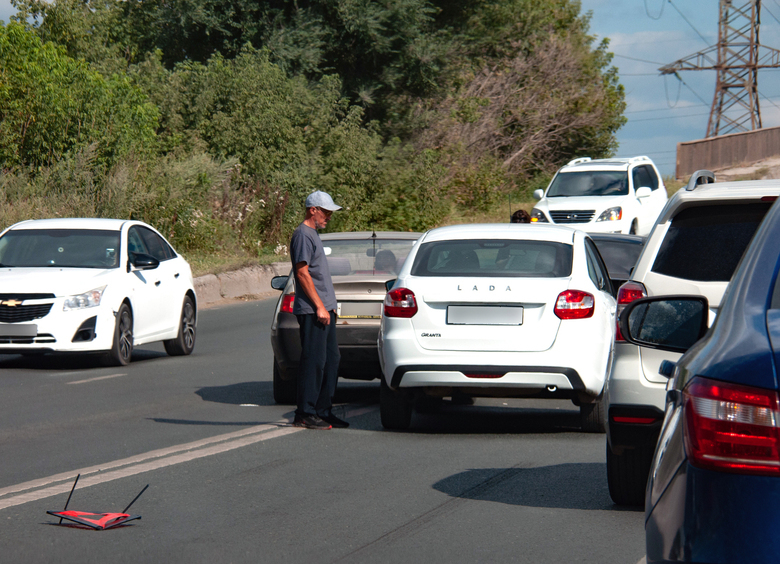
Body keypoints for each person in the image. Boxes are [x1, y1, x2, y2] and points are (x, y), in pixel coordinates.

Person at [288, 190, 349, 430]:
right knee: (313, 361)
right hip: (313, 310)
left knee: (331, 360)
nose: (329, 217)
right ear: (313, 210)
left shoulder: (312, 234)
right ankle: (305, 412)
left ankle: (323, 410)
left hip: (325, 309)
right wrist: (320, 307)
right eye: (326, 212)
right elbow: (302, 273)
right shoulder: (302, 235)